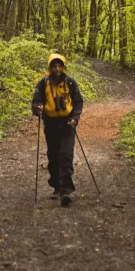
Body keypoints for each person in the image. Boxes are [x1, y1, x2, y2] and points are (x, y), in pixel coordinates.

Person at [32, 52, 84, 206]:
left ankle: (66, 190)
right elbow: (36, 101)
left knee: (66, 155)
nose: (57, 69)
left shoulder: (71, 83)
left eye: (59, 65)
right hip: (51, 124)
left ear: (63, 67)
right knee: (53, 157)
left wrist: (75, 118)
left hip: (67, 124)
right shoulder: (43, 84)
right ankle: (56, 185)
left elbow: (78, 102)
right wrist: (37, 108)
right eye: (54, 66)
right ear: (50, 67)